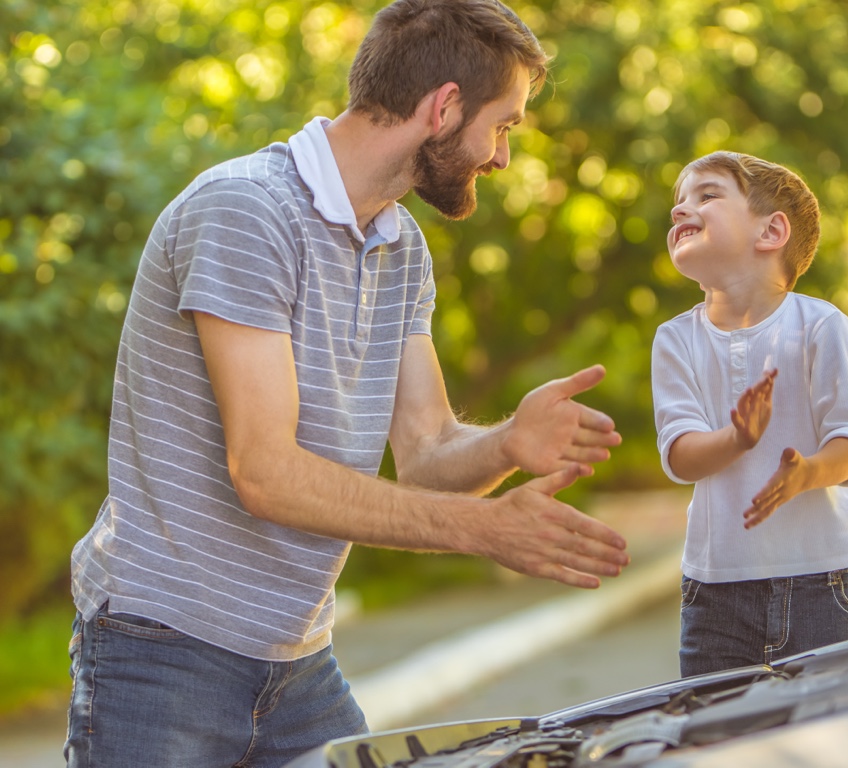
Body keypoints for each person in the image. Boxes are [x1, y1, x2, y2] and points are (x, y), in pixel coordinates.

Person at [65, 1, 630, 765]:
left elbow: (427, 452)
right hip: (164, 648)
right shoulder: (246, 211)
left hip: (297, 663)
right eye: (504, 125)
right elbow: (264, 473)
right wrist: (486, 531)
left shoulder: (400, 247)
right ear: (444, 107)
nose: (502, 157)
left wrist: (507, 444)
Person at [651, 150, 848, 679]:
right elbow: (680, 456)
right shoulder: (675, 339)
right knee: (717, 743)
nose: (681, 211)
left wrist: (807, 474)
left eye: (706, 195)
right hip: (714, 595)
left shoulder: (821, 326)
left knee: (831, 739)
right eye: (678, 204)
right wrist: (736, 437)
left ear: (772, 232)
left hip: (821, 585)